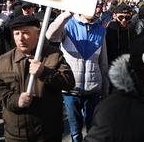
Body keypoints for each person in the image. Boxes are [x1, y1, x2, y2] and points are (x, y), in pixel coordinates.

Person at [0, 15, 75, 141]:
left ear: (37, 33)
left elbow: (69, 83)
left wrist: (44, 72)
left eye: (25, 33)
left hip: (48, 134)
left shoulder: (54, 55)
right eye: (17, 33)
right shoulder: (5, 59)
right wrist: (16, 100)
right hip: (16, 135)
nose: (20, 38)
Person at [46, 11, 109, 142]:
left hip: (93, 90)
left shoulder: (101, 30)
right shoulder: (68, 25)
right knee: (75, 132)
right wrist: (67, 13)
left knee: (92, 130)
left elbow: (103, 62)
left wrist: (105, 90)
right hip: (71, 90)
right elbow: (50, 35)